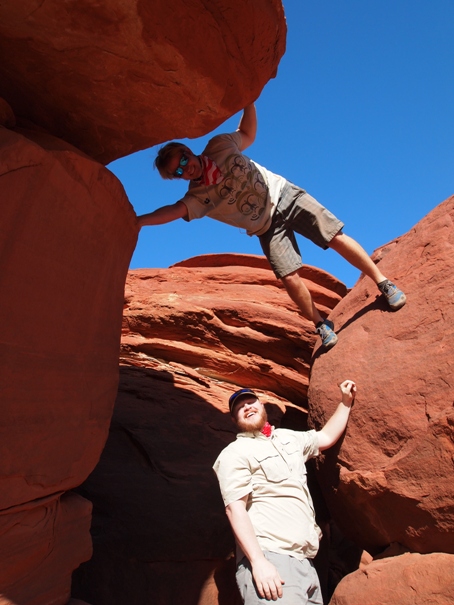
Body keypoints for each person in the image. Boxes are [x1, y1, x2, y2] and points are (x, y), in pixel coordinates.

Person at [137, 104, 406, 349]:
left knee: (334, 236)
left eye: (183, 161)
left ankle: (383, 283)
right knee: (288, 275)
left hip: (285, 195)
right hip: (266, 226)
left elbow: (247, 133)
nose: (186, 169)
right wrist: (140, 221)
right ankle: (321, 324)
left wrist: (248, 101)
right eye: (178, 172)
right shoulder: (197, 196)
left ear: (188, 151)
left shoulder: (219, 145)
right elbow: (173, 211)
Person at [212, 380, 356, 604]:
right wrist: (258, 562)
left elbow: (326, 437)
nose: (248, 407)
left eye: (251, 402)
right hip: (271, 560)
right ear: (234, 420)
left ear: (262, 407)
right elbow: (235, 509)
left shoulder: (289, 439)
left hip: (306, 564)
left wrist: (345, 403)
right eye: (240, 408)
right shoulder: (235, 452)